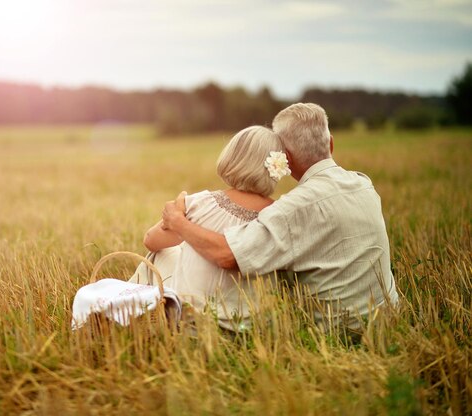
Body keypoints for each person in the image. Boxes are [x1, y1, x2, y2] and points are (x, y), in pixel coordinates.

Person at [161, 103, 398, 331]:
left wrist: (178, 222)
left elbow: (226, 254)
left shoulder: (295, 207)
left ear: (286, 158)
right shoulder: (364, 184)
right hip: (388, 319)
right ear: (331, 144)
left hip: (337, 331)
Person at [134, 125, 290, 331]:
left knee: (160, 254)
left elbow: (150, 241)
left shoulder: (199, 203)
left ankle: (134, 312)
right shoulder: (280, 214)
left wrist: (175, 216)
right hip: (247, 325)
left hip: (192, 320)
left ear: (233, 159)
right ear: (276, 169)